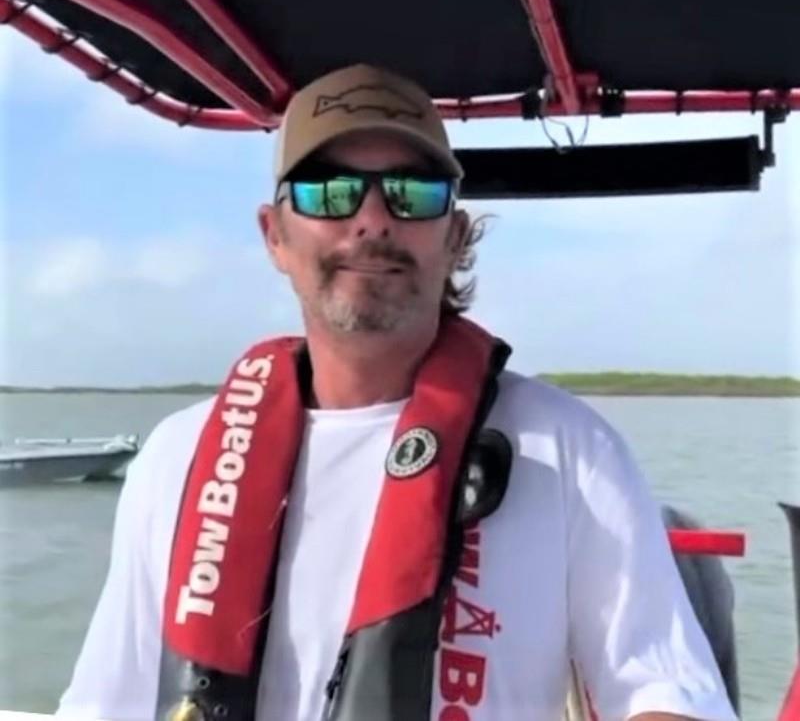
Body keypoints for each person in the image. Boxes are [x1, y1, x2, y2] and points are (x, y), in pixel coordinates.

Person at [56, 64, 738, 721]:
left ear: (456, 236)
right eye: (329, 191)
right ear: (275, 235)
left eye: (413, 193)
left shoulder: (570, 453)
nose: (373, 219)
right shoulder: (177, 459)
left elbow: (667, 692)